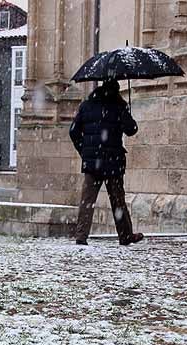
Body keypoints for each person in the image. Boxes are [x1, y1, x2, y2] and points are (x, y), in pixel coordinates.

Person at [69, 79, 145, 246]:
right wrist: (126, 110)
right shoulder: (118, 106)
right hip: (113, 162)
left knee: (87, 201)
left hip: (92, 163)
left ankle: (81, 236)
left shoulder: (86, 105)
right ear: (116, 91)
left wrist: (85, 152)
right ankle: (125, 235)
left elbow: (73, 132)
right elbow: (131, 130)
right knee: (118, 201)